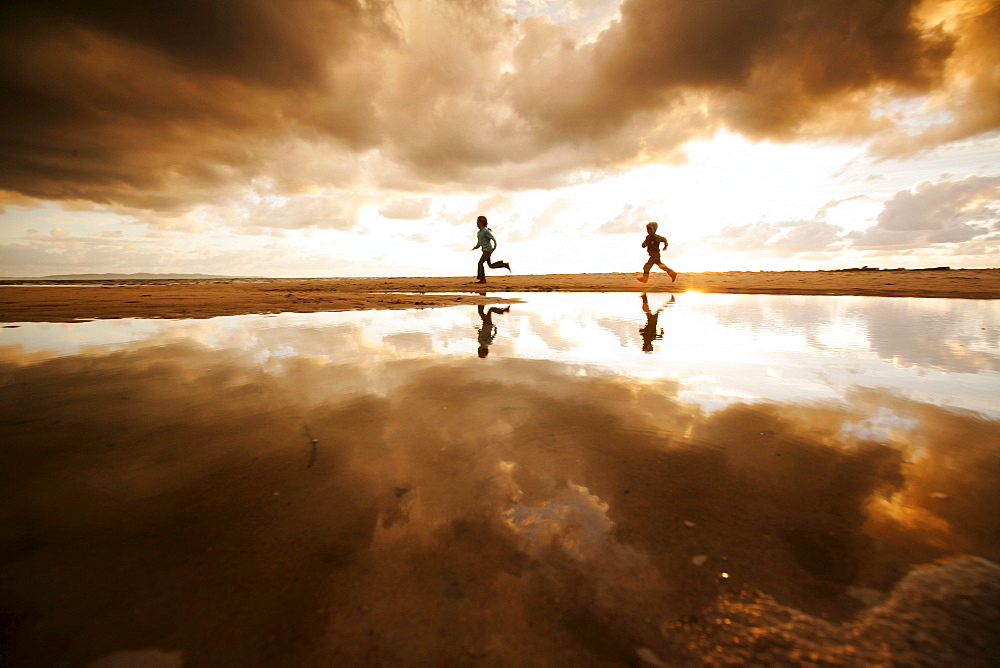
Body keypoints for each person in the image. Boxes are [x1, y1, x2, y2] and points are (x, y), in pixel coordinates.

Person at [472, 215, 511, 284]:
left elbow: (494, 239)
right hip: (484, 250)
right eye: (477, 222)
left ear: (482, 223)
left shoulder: (485, 231)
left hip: (488, 250)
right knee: (490, 265)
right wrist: (475, 247)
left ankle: (482, 279)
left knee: (480, 263)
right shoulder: (479, 233)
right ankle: (504, 264)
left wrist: (493, 248)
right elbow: (480, 242)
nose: (477, 224)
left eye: (478, 222)